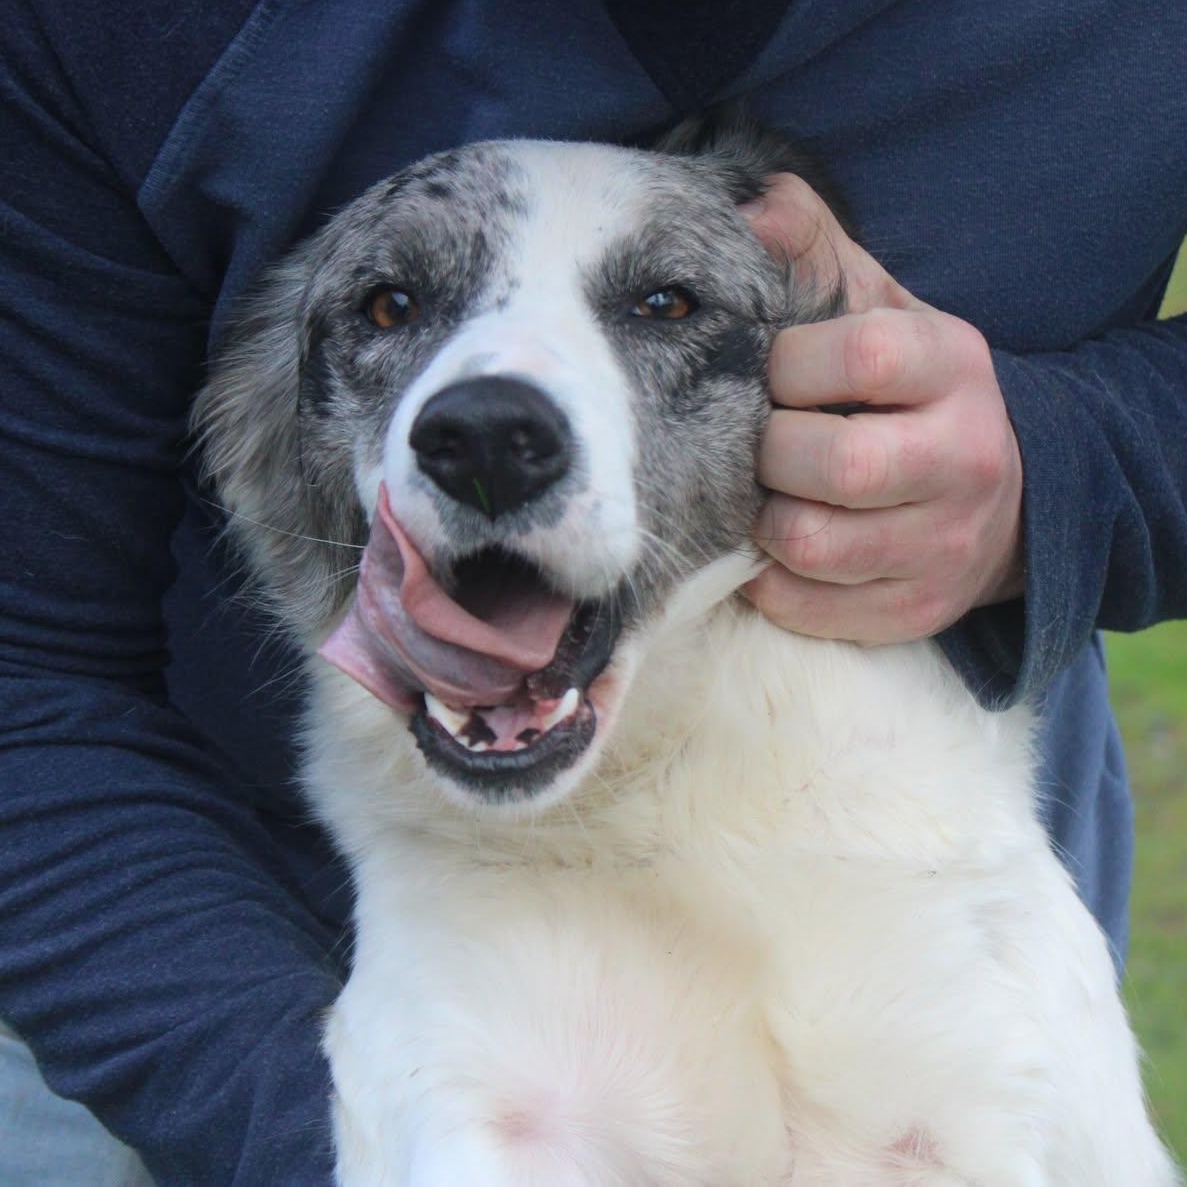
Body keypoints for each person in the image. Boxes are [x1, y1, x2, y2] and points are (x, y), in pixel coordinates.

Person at [2, 1, 1185, 1182]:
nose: (492, 413)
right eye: (392, 308)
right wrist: (360, 1134)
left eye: (663, 304)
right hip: (177, 896)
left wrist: (1079, 459)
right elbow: (23, 681)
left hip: (914, 812)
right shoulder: (121, 34)